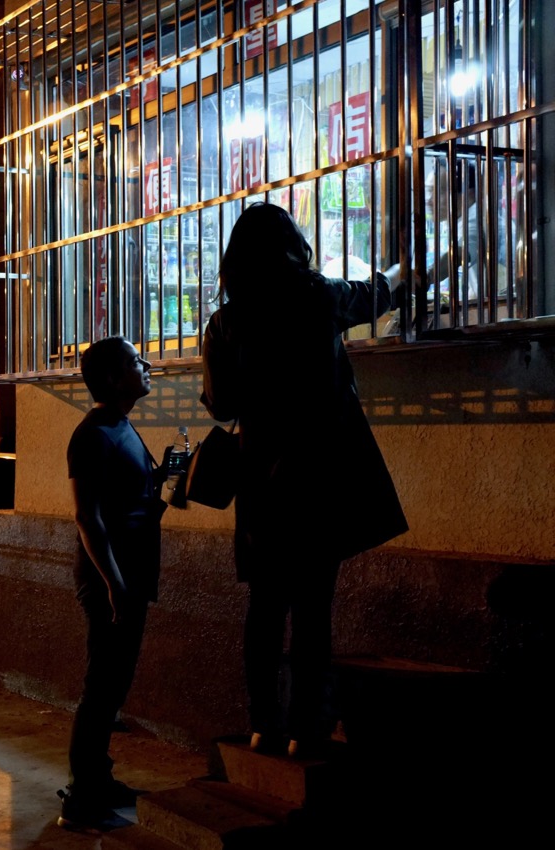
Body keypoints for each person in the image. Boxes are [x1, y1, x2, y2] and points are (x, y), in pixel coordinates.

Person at [201, 202, 408, 758]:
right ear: (291, 244)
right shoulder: (316, 295)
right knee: (314, 609)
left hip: (261, 483)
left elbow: (220, 406)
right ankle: (304, 730)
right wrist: (400, 272)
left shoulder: (224, 321)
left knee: (265, 607)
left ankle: (261, 724)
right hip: (319, 476)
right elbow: (373, 296)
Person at [57, 335, 168, 833]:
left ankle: (99, 778)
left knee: (114, 684)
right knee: (101, 687)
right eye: (133, 361)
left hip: (131, 577)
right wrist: (115, 586)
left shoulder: (124, 428)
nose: (145, 364)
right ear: (110, 379)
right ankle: (82, 798)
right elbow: (88, 517)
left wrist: (166, 477)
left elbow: (131, 503)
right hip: (110, 581)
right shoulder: (92, 434)